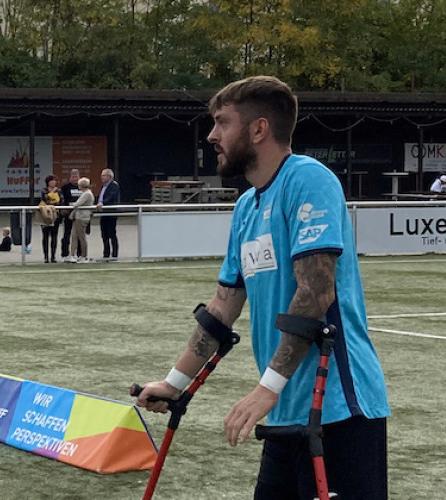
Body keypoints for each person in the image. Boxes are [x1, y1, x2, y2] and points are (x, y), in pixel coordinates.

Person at [135, 76, 389, 500]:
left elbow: (315, 293)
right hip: (285, 414)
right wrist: (174, 382)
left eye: (222, 123)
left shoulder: (308, 179)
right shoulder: (246, 205)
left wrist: (265, 389)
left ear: (259, 129)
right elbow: (223, 306)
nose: (212, 136)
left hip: (338, 411)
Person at [67, 177, 95, 263]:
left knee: (81, 237)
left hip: (82, 217)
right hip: (78, 217)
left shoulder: (87, 194)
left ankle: (84, 256)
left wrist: (72, 204)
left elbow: (78, 204)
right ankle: (72, 255)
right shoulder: (85, 193)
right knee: (74, 236)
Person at [96, 168, 120, 260]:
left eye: (103, 175)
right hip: (103, 213)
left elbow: (111, 196)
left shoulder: (114, 185)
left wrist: (103, 203)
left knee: (112, 233)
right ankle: (106, 253)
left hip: (111, 213)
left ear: (109, 176)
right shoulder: (103, 186)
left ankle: (114, 254)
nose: (101, 177)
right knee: (104, 234)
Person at [37, 177, 61, 263]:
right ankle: (46, 256)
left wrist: (52, 198)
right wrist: (53, 197)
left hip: (55, 215)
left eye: (54, 181)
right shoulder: (44, 190)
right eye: (51, 181)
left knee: (54, 236)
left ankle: (53, 256)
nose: (53, 182)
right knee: (45, 236)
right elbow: (45, 199)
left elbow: (60, 200)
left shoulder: (59, 190)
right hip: (45, 215)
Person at [58, 169, 80, 261]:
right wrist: (64, 208)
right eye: (73, 176)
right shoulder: (65, 188)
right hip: (68, 215)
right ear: (70, 177)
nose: (75, 178)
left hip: (79, 215)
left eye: (77, 176)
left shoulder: (82, 187)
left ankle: (80, 254)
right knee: (67, 234)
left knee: (79, 235)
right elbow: (61, 200)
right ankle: (65, 254)